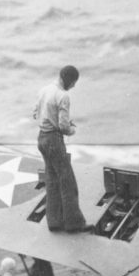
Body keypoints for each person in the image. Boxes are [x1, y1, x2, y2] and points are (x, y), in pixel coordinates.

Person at [33, 65, 93, 233]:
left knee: (52, 181)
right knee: (68, 182)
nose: (73, 86)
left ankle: (54, 222)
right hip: (54, 140)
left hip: (42, 138)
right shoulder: (63, 95)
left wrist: (50, 118)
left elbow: (35, 112)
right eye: (73, 83)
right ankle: (74, 223)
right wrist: (72, 130)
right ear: (68, 80)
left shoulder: (45, 89)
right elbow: (63, 126)